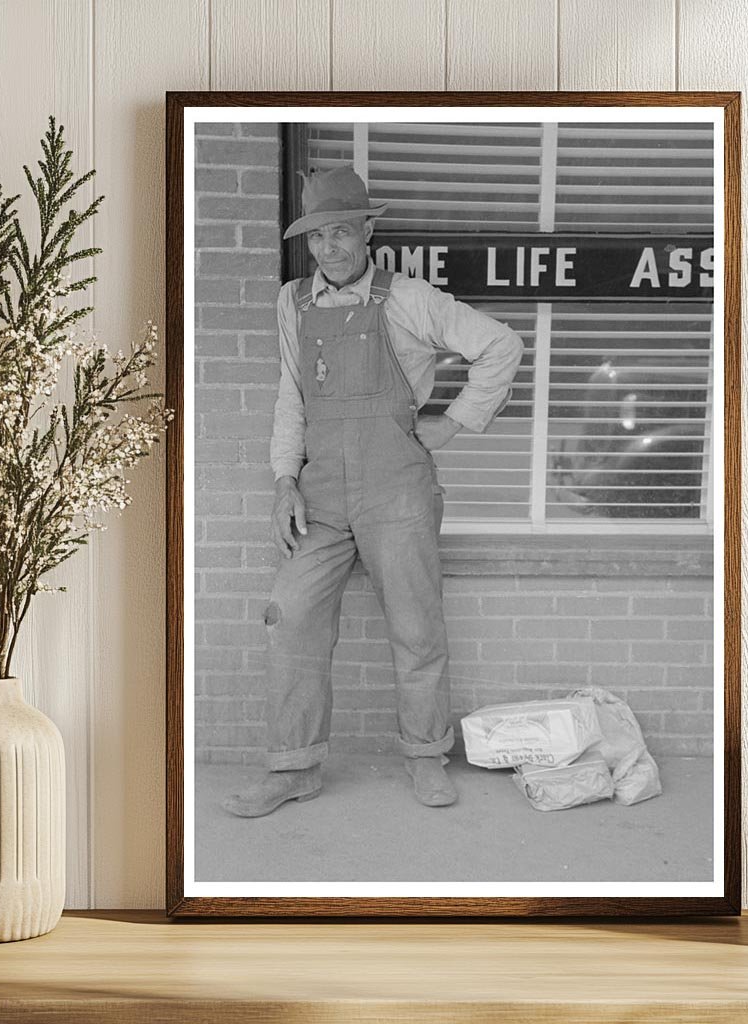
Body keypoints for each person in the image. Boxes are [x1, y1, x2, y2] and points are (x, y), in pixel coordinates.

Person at [223, 165, 523, 817]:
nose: (329, 247)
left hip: (398, 491)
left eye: (341, 232)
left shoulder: (410, 298)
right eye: (318, 236)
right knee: (290, 612)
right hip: (321, 492)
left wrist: (455, 423)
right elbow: (290, 399)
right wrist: (283, 483)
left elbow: (500, 345)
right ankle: (293, 767)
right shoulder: (292, 302)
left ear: (366, 231)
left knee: (416, 625)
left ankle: (425, 756)